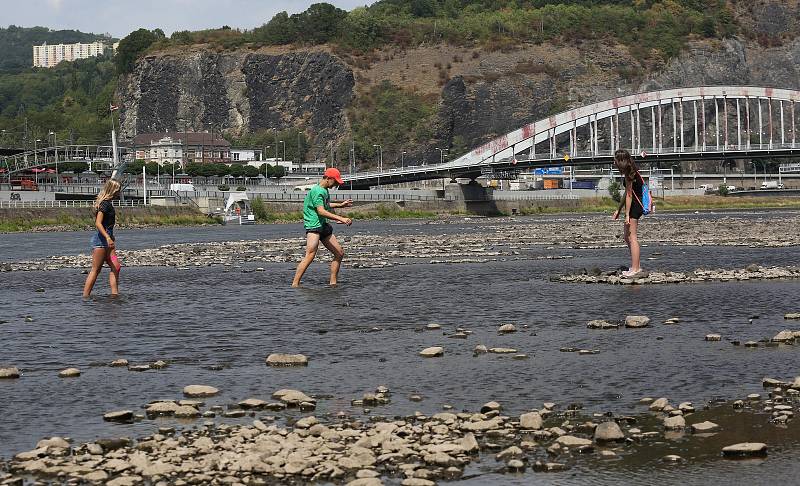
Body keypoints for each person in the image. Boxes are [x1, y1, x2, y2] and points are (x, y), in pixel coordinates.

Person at [292, 168, 353, 287]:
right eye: (335, 182)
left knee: (339, 253)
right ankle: (295, 284)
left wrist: (340, 205)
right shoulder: (317, 191)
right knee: (310, 255)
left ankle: (333, 283)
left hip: (323, 225)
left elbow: (325, 205)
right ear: (328, 178)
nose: (335, 184)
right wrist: (341, 218)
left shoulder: (324, 190)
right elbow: (321, 211)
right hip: (314, 226)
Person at [82, 179, 122, 297]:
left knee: (116, 266)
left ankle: (114, 295)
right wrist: (108, 237)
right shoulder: (104, 204)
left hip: (109, 239)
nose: (120, 192)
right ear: (113, 190)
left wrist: (111, 237)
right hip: (101, 241)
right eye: (118, 190)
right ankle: (85, 296)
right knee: (96, 270)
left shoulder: (108, 203)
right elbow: (98, 223)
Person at [611, 149, 644, 277]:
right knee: (626, 237)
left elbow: (630, 196)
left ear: (621, 161)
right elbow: (626, 193)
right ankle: (636, 265)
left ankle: (636, 268)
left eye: (615, 160)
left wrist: (627, 215)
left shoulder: (630, 172)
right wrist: (618, 209)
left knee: (632, 237)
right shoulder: (628, 171)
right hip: (633, 205)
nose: (614, 162)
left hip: (635, 206)